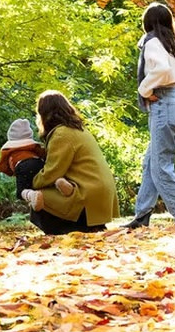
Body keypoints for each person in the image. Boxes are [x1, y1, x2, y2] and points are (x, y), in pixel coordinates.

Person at [125, 2, 175, 229]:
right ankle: (142, 216)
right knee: (151, 161)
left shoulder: (152, 42)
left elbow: (161, 70)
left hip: (165, 104)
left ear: (147, 22)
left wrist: (146, 90)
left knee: (161, 166)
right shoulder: (173, 46)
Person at [22, 91, 119, 234]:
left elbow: (51, 173)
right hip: (99, 194)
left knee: (38, 197)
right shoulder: (79, 129)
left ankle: (71, 228)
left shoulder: (61, 134)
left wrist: (30, 184)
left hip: (87, 195)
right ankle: (89, 225)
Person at [0, 118, 75, 207]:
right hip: (38, 162)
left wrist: (11, 172)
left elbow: (3, 167)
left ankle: (32, 196)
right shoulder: (33, 147)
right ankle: (59, 182)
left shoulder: (8, 151)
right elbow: (43, 154)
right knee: (47, 179)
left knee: (21, 191)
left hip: (22, 166)